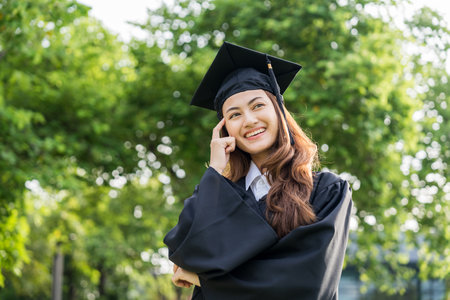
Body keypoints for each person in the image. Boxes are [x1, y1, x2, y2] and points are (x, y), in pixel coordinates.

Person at [164, 42, 353, 300]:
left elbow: (307, 285)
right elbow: (185, 251)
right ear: (225, 129)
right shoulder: (221, 194)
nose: (249, 121)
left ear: (278, 111)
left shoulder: (327, 191)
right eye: (234, 115)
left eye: (257, 106)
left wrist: (205, 281)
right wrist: (216, 171)